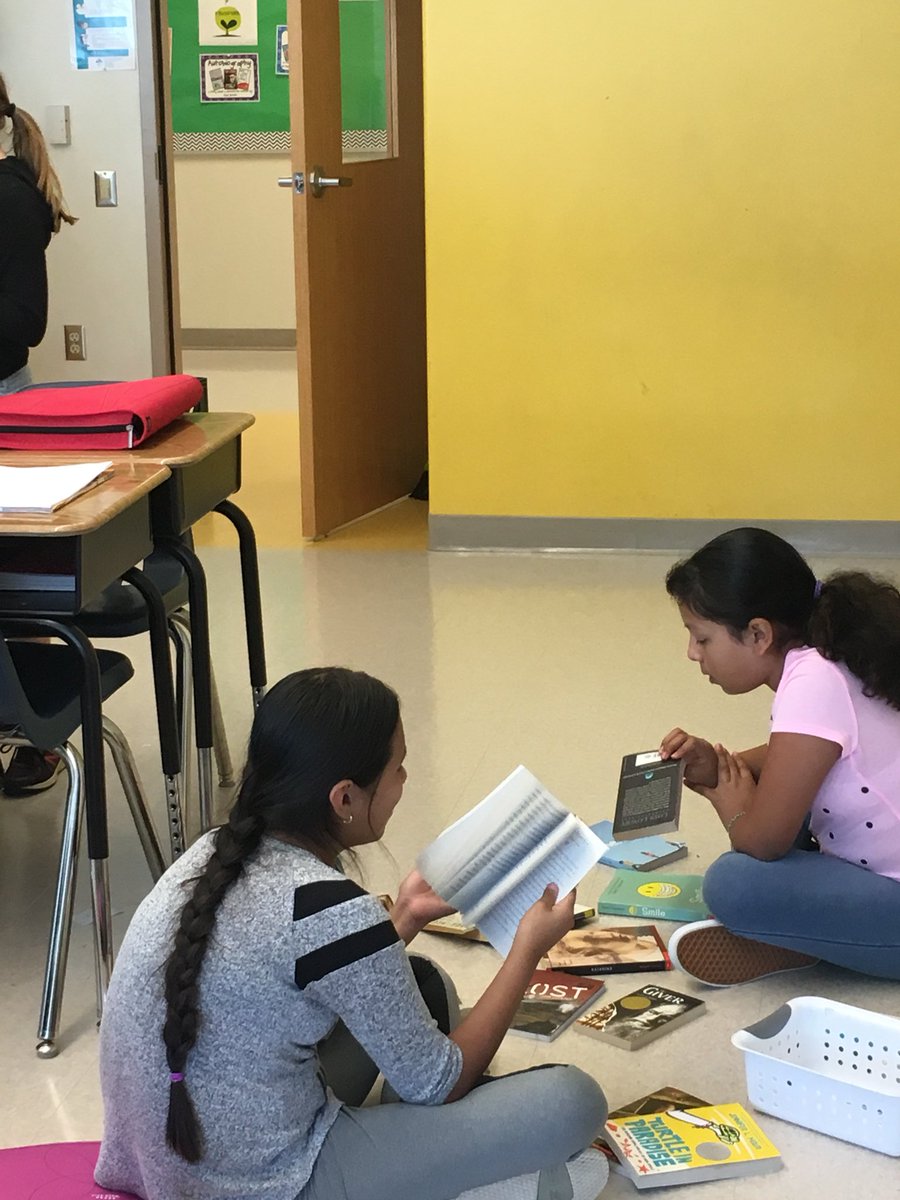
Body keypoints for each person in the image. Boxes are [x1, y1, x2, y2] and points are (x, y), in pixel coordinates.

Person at [95, 667, 609, 1200]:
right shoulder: (332, 909)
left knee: (421, 981)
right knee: (572, 1100)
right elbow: (439, 1082)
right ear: (344, 799)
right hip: (269, 1183)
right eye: (398, 768)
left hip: (162, 1157)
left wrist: (405, 917)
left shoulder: (209, 853)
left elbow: (298, 967)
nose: (405, 782)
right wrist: (527, 950)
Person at [658, 526, 900, 986]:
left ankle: (801, 940)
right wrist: (724, 762)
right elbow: (810, 751)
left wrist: (725, 795)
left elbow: (762, 841)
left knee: (733, 882)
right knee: (784, 799)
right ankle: (808, 935)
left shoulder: (810, 684)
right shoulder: (830, 650)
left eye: (702, 638)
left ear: (758, 634)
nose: (692, 654)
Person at [0, 73, 75, 793]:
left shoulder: (12, 196)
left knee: (14, 587)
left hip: (4, 406)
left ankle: (31, 740)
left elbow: (24, 322)